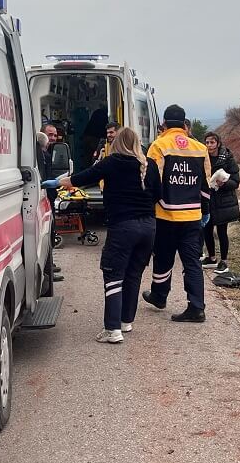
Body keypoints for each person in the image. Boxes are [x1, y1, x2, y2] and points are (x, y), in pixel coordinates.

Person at [56, 127, 159, 344]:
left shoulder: (112, 162)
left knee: (113, 275)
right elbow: (158, 195)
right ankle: (125, 321)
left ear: (117, 144)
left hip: (123, 226)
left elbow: (81, 178)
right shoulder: (149, 166)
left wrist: (57, 182)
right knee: (134, 274)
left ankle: (112, 330)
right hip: (148, 227)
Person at [142, 104, 212, 322]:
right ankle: (197, 307)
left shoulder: (158, 146)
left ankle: (159, 296)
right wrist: (204, 211)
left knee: (163, 257)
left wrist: (150, 207)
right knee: (192, 262)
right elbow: (205, 185)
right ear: (184, 124)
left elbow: (151, 181)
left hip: (165, 215)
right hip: (192, 216)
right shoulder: (200, 148)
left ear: (163, 124)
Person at [202, 131, 240, 273]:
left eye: (212, 142)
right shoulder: (202, 157)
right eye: (207, 142)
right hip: (208, 198)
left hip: (223, 200)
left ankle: (224, 261)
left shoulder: (228, 159)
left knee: (222, 231)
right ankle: (212, 258)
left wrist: (224, 183)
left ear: (218, 143)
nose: (209, 145)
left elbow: (236, 181)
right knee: (207, 229)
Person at [38, 127, 63, 282]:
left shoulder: (47, 153)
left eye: (55, 135)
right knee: (47, 234)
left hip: (48, 198)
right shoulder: (43, 155)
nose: (53, 138)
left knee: (50, 233)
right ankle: (48, 271)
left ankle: (50, 266)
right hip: (44, 198)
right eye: (50, 135)